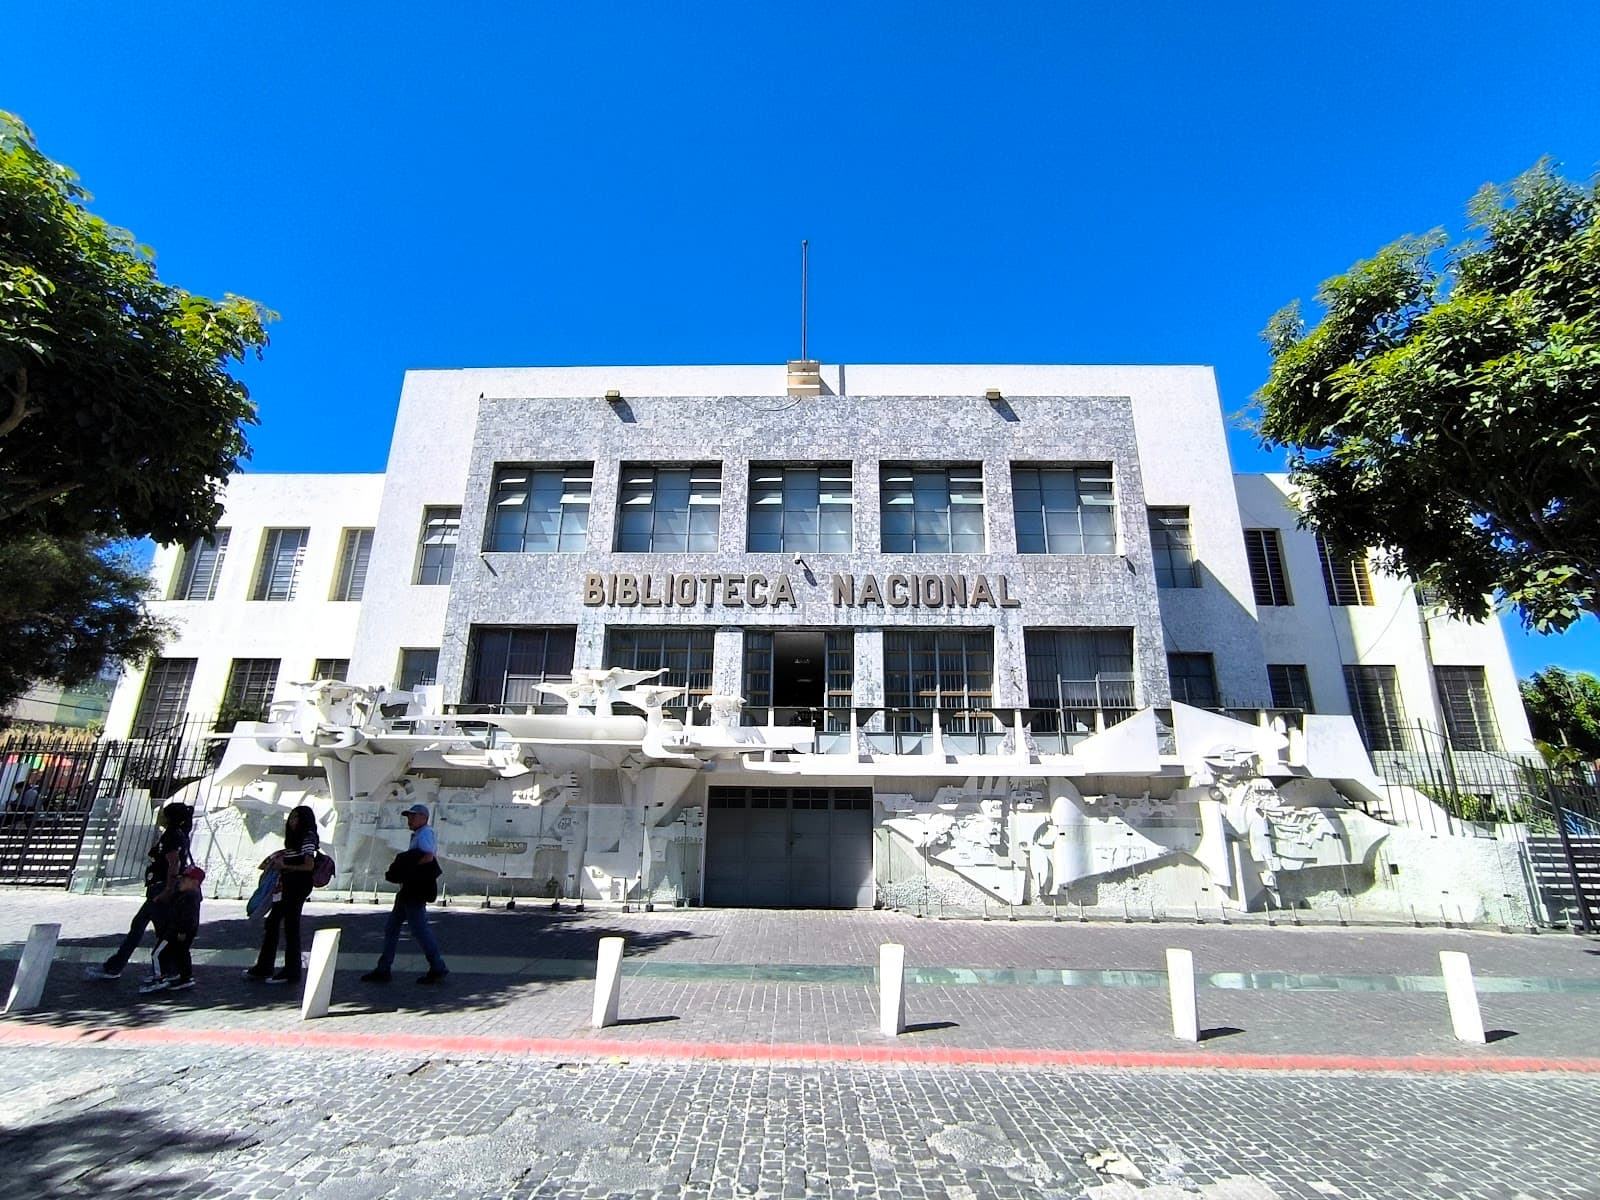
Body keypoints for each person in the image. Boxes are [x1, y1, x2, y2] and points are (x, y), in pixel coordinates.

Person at [89, 802, 193, 979]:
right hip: (159, 887)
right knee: (139, 926)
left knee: (161, 931)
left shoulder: (171, 836)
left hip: (160, 888)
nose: (160, 816)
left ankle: (169, 969)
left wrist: (167, 890)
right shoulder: (180, 834)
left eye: (163, 814)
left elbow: (173, 863)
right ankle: (116, 965)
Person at [362, 802, 449, 985]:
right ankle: (384, 968)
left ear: (424, 818)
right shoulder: (419, 834)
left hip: (414, 890)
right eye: (409, 816)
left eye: (413, 816)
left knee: (418, 929)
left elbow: (428, 856)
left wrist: (408, 870)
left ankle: (437, 966)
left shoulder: (425, 833)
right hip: (410, 889)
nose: (409, 819)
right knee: (395, 928)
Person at [244, 805, 320, 985]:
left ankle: (291, 970)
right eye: (291, 818)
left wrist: (285, 866)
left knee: (291, 925)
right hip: (286, 884)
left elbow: (308, 865)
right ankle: (265, 966)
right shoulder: (296, 839)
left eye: (296, 818)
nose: (292, 822)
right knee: (273, 922)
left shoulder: (307, 837)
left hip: (297, 885)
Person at [140, 865, 205, 994]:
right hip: (178, 931)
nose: (180, 882)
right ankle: (182, 976)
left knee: (157, 954)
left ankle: (159, 978)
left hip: (175, 931)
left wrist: (182, 931)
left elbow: (188, 917)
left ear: (195, 883)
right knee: (180, 953)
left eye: (184, 880)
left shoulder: (189, 898)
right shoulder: (186, 895)